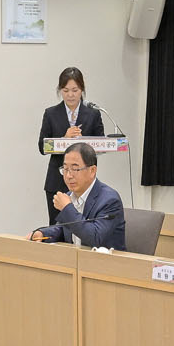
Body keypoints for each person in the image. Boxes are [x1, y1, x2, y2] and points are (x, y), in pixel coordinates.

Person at [37, 65, 103, 227]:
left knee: (83, 226)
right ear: (60, 90)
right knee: (57, 227)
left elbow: (101, 144)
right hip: (57, 180)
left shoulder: (93, 114)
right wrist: (64, 139)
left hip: (84, 180)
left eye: (75, 90)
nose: (70, 95)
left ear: (82, 90)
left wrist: (82, 142)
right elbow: (42, 147)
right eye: (66, 90)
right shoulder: (51, 113)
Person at [29, 142, 125, 248]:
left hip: (103, 258)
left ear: (92, 171)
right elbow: (63, 229)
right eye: (65, 169)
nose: (68, 176)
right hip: (74, 257)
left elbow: (95, 238)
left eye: (75, 169)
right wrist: (43, 234)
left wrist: (67, 208)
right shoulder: (69, 195)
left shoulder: (110, 200)